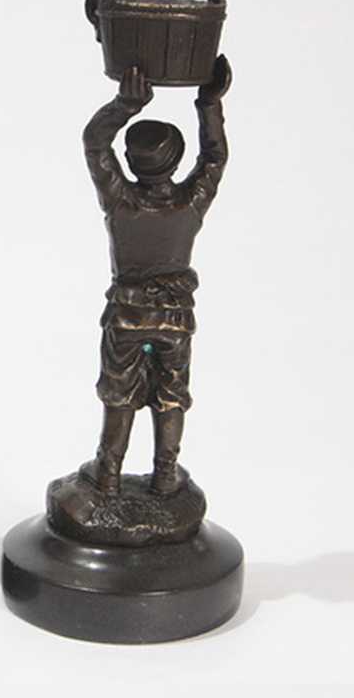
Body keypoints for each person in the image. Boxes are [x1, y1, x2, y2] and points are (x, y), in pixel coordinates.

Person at [81, 55, 231, 495]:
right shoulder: (190, 203)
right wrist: (209, 104)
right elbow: (215, 158)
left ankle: (108, 473)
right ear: (176, 160)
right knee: (171, 396)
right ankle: (165, 474)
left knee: (119, 394)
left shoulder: (121, 202)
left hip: (127, 318)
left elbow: (94, 143)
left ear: (130, 162)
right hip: (174, 320)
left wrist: (125, 106)